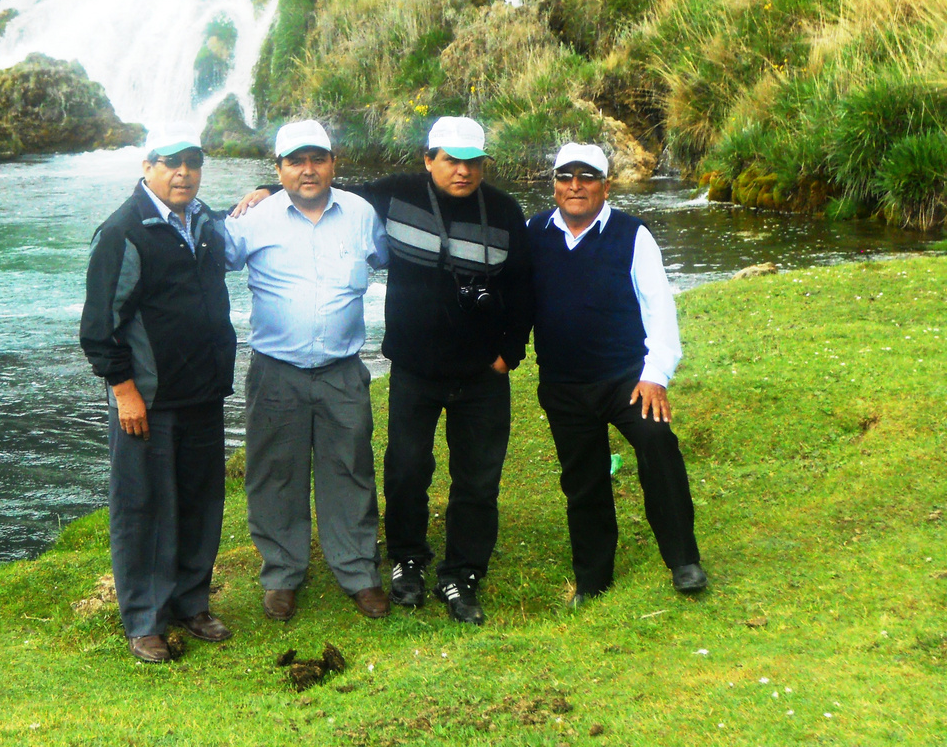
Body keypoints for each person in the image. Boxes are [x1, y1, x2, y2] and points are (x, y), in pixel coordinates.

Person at [233, 116, 532, 625]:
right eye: (450, 159)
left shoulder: (493, 209)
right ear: (428, 158)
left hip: (434, 371)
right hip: (383, 368)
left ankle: (412, 572)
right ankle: (335, 570)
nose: (461, 170)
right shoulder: (376, 199)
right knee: (386, 471)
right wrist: (263, 190)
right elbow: (211, 252)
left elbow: (524, 284)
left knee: (395, 474)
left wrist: (510, 351)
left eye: (471, 162)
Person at [221, 120, 391, 621]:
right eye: (296, 161)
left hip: (343, 370)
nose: (309, 169)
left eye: (318, 159)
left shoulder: (361, 214)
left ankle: (359, 572)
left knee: (351, 470)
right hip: (276, 371)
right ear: (279, 169)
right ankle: (282, 574)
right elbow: (204, 255)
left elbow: (388, 258)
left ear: (334, 163)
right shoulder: (254, 218)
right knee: (274, 473)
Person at [79, 127, 237, 663]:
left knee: (200, 503)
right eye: (171, 163)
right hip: (146, 399)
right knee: (143, 509)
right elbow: (100, 326)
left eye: (192, 163)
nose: (183, 174)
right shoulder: (123, 231)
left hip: (202, 391)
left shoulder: (204, 221)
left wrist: (263, 188)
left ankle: (191, 603)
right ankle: (145, 620)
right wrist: (123, 391)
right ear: (147, 166)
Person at [525, 142, 708, 605]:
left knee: (658, 447)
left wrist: (656, 375)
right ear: (554, 185)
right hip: (564, 384)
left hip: (631, 380)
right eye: (566, 177)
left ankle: (684, 560)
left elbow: (659, 310)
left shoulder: (633, 234)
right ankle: (593, 580)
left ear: (605, 185)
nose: (575, 186)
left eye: (587, 177)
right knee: (583, 481)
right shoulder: (533, 233)